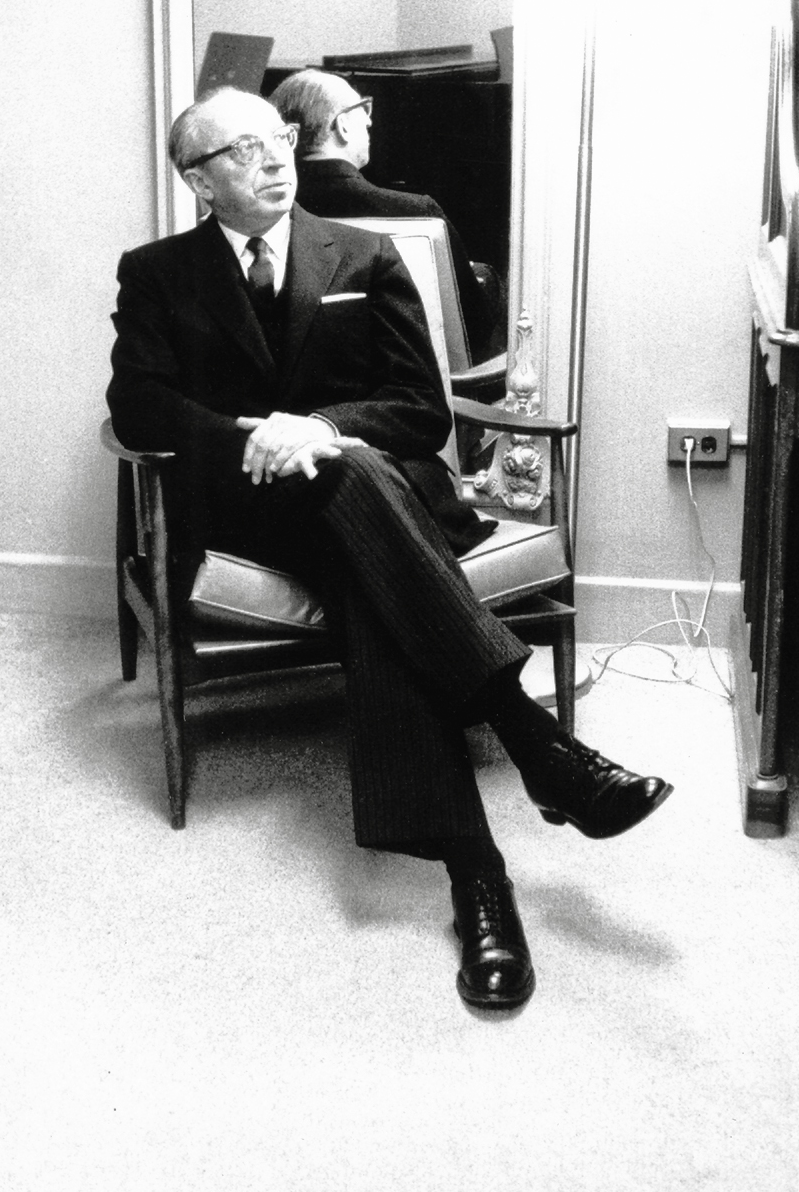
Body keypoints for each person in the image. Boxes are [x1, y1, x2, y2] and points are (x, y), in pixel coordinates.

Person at [107, 87, 673, 1011]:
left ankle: (478, 873)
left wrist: (321, 428)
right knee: (353, 494)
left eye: (279, 137)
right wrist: (255, 434)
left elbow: (420, 409)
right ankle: (539, 748)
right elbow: (138, 406)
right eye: (244, 149)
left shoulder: (364, 254)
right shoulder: (157, 273)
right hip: (252, 509)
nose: (275, 158)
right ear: (199, 181)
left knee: (355, 490)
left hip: (371, 503)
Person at [269, 68, 501, 361]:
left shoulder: (268, 214)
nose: (369, 120)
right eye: (362, 109)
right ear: (342, 126)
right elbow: (474, 329)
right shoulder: (417, 212)